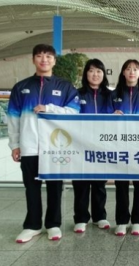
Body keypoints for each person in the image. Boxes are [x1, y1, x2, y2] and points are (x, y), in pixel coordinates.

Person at [7, 44, 80, 243]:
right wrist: (14, 144)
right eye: (39, 56)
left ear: (54, 61)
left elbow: (75, 112)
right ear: (33, 60)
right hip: (29, 147)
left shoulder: (65, 87)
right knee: (31, 188)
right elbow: (13, 118)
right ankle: (32, 225)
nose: (44, 60)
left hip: (55, 148)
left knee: (55, 188)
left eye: (48, 56)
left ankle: (53, 224)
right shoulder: (21, 87)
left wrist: (49, 108)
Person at [111, 59, 139, 236]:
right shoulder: (114, 95)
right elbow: (103, 119)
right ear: (123, 72)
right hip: (119, 145)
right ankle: (122, 221)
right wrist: (111, 115)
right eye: (128, 69)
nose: (131, 72)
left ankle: (137, 220)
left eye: (135, 69)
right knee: (121, 185)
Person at [72, 59, 113, 233]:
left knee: (99, 183)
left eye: (98, 71)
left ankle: (99, 217)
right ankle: (81, 218)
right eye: (91, 71)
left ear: (103, 74)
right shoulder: (76, 94)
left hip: (102, 145)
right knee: (81, 183)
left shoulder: (111, 95)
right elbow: (69, 115)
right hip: (80, 145)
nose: (95, 74)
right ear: (85, 74)